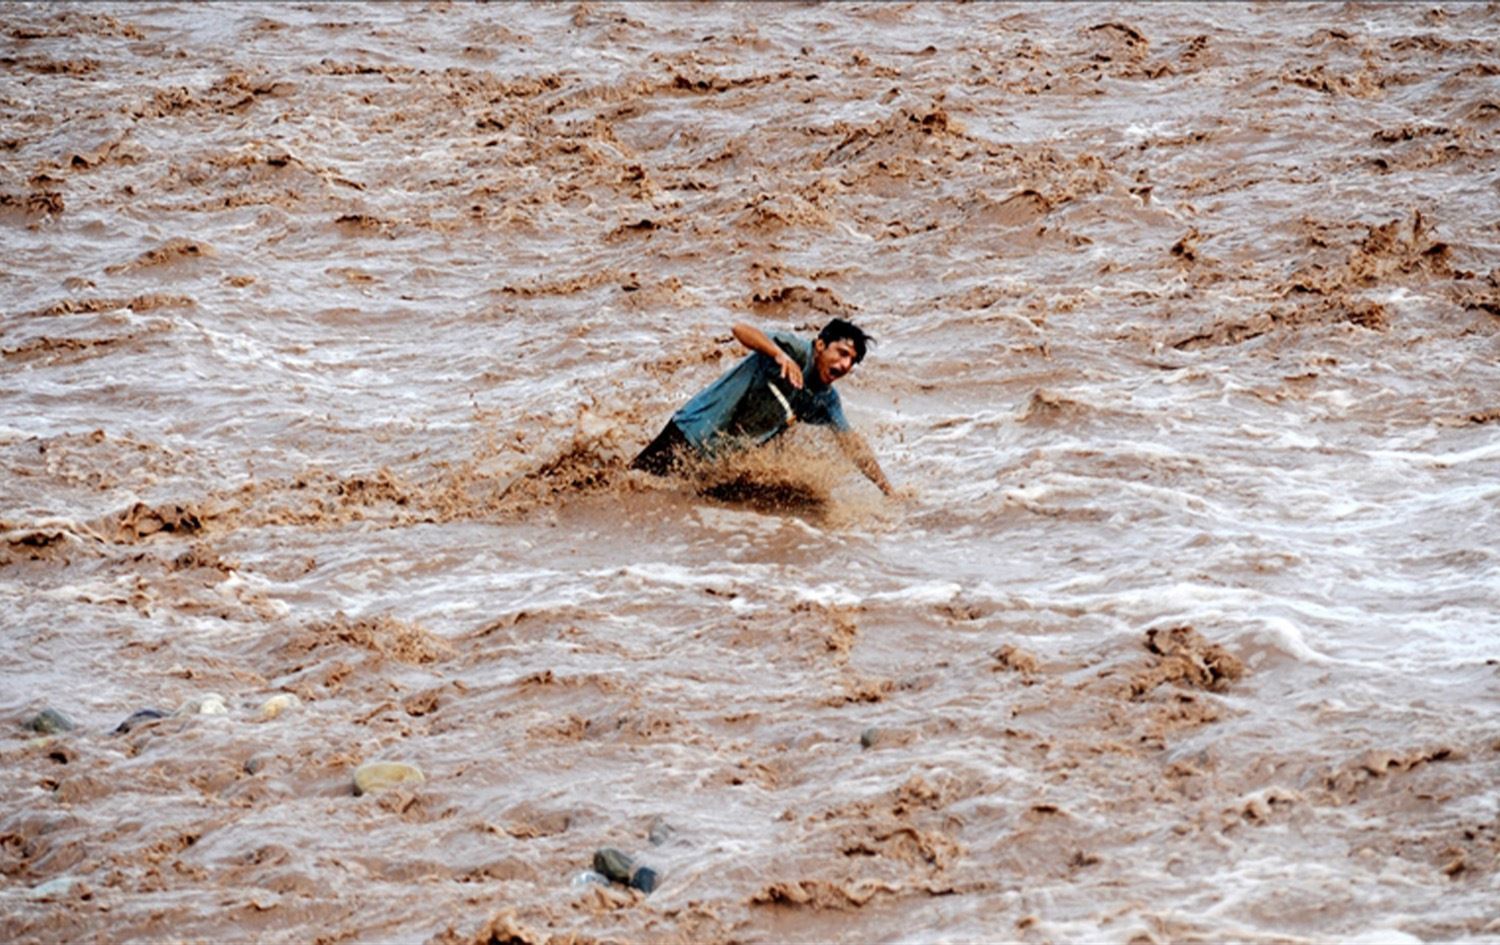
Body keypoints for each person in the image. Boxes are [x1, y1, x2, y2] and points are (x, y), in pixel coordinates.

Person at [632, 318, 896, 496]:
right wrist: (776, 354)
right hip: (689, 433)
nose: (845, 365)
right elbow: (740, 329)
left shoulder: (825, 400)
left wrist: (888, 491)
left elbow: (852, 445)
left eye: (852, 361)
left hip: (714, 465)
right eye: (841, 353)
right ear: (820, 345)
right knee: (631, 486)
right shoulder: (795, 351)